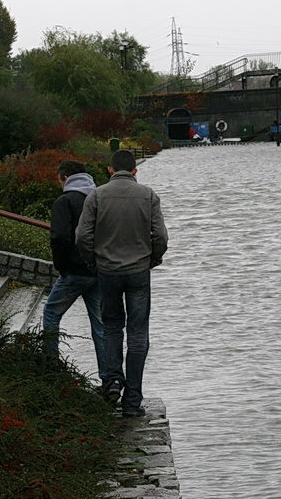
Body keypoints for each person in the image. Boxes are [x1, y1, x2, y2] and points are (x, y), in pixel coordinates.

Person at [76, 150, 169, 417]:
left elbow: (82, 236)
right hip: (139, 271)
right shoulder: (148, 195)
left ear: (109, 170)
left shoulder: (97, 196)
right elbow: (160, 236)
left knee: (112, 327)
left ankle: (112, 381)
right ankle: (132, 401)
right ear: (135, 171)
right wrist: (153, 258)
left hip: (107, 272)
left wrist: (93, 261)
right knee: (138, 334)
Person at [42, 160, 110, 393]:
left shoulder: (65, 201)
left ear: (64, 178)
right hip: (99, 270)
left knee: (51, 313)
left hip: (74, 271)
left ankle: (51, 369)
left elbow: (59, 237)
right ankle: (109, 380)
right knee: (100, 327)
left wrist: (62, 267)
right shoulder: (99, 199)